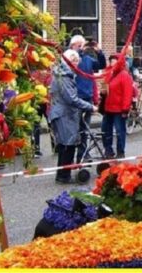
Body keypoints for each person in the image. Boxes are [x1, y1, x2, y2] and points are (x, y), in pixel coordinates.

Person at [49, 49, 98, 184]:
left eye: (78, 61)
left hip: (65, 114)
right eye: (75, 61)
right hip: (64, 115)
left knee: (66, 145)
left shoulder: (64, 74)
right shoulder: (64, 76)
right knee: (68, 145)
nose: (77, 64)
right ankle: (63, 176)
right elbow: (71, 99)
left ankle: (63, 174)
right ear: (69, 61)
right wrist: (90, 106)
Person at [68, 35, 101, 163]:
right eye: (79, 46)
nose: (81, 48)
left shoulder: (87, 59)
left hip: (87, 98)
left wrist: (98, 51)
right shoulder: (69, 59)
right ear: (73, 46)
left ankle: (82, 155)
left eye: (82, 45)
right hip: (76, 98)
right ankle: (69, 159)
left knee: (85, 129)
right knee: (74, 129)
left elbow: (100, 65)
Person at [101, 55, 134, 159]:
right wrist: (102, 93)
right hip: (108, 107)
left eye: (114, 61)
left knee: (120, 131)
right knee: (105, 129)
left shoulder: (124, 76)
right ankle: (108, 150)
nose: (112, 63)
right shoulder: (109, 74)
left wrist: (125, 109)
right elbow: (105, 88)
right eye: (111, 61)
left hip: (119, 109)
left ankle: (120, 151)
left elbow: (127, 93)